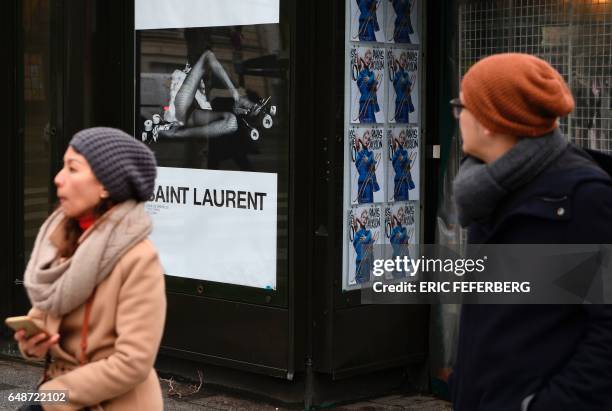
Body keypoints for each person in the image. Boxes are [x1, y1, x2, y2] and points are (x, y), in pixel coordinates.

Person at [449, 53, 612, 410]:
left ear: (490, 121)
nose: (458, 117)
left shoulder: (584, 197)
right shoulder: (486, 189)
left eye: (462, 107)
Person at [14, 127, 166, 410]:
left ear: (106, 185)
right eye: (62, 167)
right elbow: (45, 314)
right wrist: (33, 340)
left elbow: (133, 362)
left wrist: (51, 396)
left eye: (73, 169)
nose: (58, 179)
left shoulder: (139, 258)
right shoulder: (63, 239)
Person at [355, 131, 380, 203]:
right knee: (360, 205)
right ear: (362, 139)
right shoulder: (359, 152)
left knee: (368, 205)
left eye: (369, 139)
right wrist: (360, 141)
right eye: (365, 138)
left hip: (368, 183)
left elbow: (371, 164)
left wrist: (368, 160)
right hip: (361, 183)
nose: (367, 140)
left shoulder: (370, 154)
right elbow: (356, 137)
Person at [356, 49, 381, 124]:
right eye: (366, 57)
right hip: (363, 103)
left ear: (371, 61)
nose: (367, 60)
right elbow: (359, 82)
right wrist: (361, 62)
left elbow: (371, 82)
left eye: (370, 59)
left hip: (370, 104)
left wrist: (371, 80)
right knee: (362, 123)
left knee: (372, 123)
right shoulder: (361, 73)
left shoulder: (372, 74)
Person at [391, 52, 415, 123]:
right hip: (398, 103)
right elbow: (394, 83)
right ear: (399, 60)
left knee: (405, 123)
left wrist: (410, 106)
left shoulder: (406, 75)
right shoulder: (396, 74)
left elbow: (408, 92)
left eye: (405, 60)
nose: (403, 62)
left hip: (405, 104)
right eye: (402, 59)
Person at [391, 130, 415, 201]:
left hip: (404, 181)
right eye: (401, 137)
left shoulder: (404, 152)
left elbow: (407, 169)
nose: (402, 140)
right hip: (398, 180)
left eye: (404, 138)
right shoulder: (397, 152)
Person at [353, 210, 374, 284]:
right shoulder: (358, 233)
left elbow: (370, 250)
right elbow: (355, 218)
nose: (365, 220)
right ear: (360, 218)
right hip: (360, 264)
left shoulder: (368, 233)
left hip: (366, 265)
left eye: (366, 218)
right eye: (363, 217)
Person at [389, 207, 411, 279]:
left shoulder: (404, 229)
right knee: (397, 276)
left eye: (402, 215)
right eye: (399, 214)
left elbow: (405, 242)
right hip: (397, 257)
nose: (401, 217)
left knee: (402, 276)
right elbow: (393, 241)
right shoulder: (395, 229)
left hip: (402, 257)